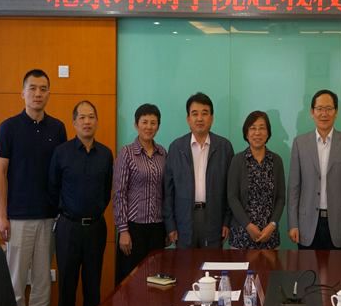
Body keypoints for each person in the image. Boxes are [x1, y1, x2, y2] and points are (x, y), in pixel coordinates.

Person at [0, 69, 67, 306]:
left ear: (49, 94)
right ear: (22, 93)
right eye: (32, 88)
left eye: (43, 89)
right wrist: (2, 216)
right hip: (17, 218)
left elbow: (62, 173)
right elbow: (0, 173)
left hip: (48, 218)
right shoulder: (8, 127)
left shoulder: (58, 128)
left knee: (42, 283)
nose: (38, 93)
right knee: (15, 282)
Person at [49, 101, 113, 306]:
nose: (87, 122)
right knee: (67, 286)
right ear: (74, 122)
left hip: (96, 227)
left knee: (93, 286)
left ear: (97, 121)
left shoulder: (105, 154)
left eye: (91, 117)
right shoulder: (61, 153)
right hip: (68, 228)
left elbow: (106, 191)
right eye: (82, 117)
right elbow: (53, 187)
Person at [288, 89, 341, 249]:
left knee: (338, 265)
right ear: (312, 112)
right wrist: (293, 223)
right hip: (306, 223)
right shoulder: (300, 143)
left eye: (329, 109)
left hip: (339, 223)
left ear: (336, 112)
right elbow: (294, 187)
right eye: (319, 109)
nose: (324, 114)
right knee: (306, 265)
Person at [164, 92, 234, 248]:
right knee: (185, 262)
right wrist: (170, 224)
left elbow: (230, 189)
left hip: (214, 218)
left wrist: (227, 221)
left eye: (205, 113)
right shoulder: (176, 148)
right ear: (188, 119)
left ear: (212, 118)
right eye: (195, 114)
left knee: (212, 261)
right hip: (183, 219)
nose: (200, 118)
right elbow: (168, 191)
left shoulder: (224, 147)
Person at [113, 103, 166, 284]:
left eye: (153, 123)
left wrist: (167, 228)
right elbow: (119, 193)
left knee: (156, 280)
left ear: (158, 126)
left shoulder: (162, 153)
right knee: (132, 281)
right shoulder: (127, 153)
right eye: (144, 122)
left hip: (157, 227)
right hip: (133, 228)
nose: (149, 127)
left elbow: (166, 192)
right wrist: (123, 230)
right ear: (136, 125)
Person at [227, 111, 285, 249]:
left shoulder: (276, 161)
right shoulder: (237, 160)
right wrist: (248, 225)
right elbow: (232, 197)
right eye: (253, 128)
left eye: (262, 128)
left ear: (268, 133)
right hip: (241, 236)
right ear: (246, 133)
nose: (257, 132)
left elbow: (281, 198)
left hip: (269, 236)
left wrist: (272, 225)